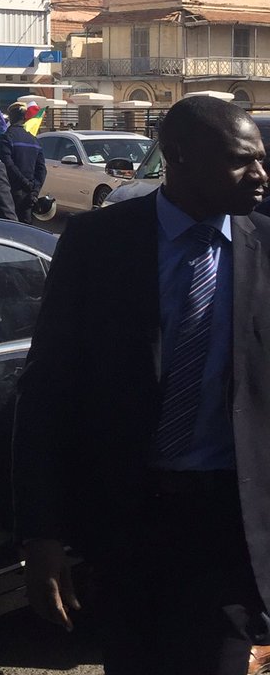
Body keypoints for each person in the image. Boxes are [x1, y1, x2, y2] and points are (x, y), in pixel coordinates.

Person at [14, 96, 270, 675]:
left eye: (261, 159)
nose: (260, 175)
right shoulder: (97, 246)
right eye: (240, 161)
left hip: (230, 529)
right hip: (128, 525)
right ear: (178, 157)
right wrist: (41, 534)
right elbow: (48, 393)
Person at [0, 104, 47, 224]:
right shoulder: (34, 140)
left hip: (10, 193)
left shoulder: (5, 138)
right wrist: (34, 190)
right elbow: (42, 170)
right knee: (26, 230)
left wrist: (25, 183)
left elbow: (8, 164)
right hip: (29, 196)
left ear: (11, 118)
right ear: (24, 118)